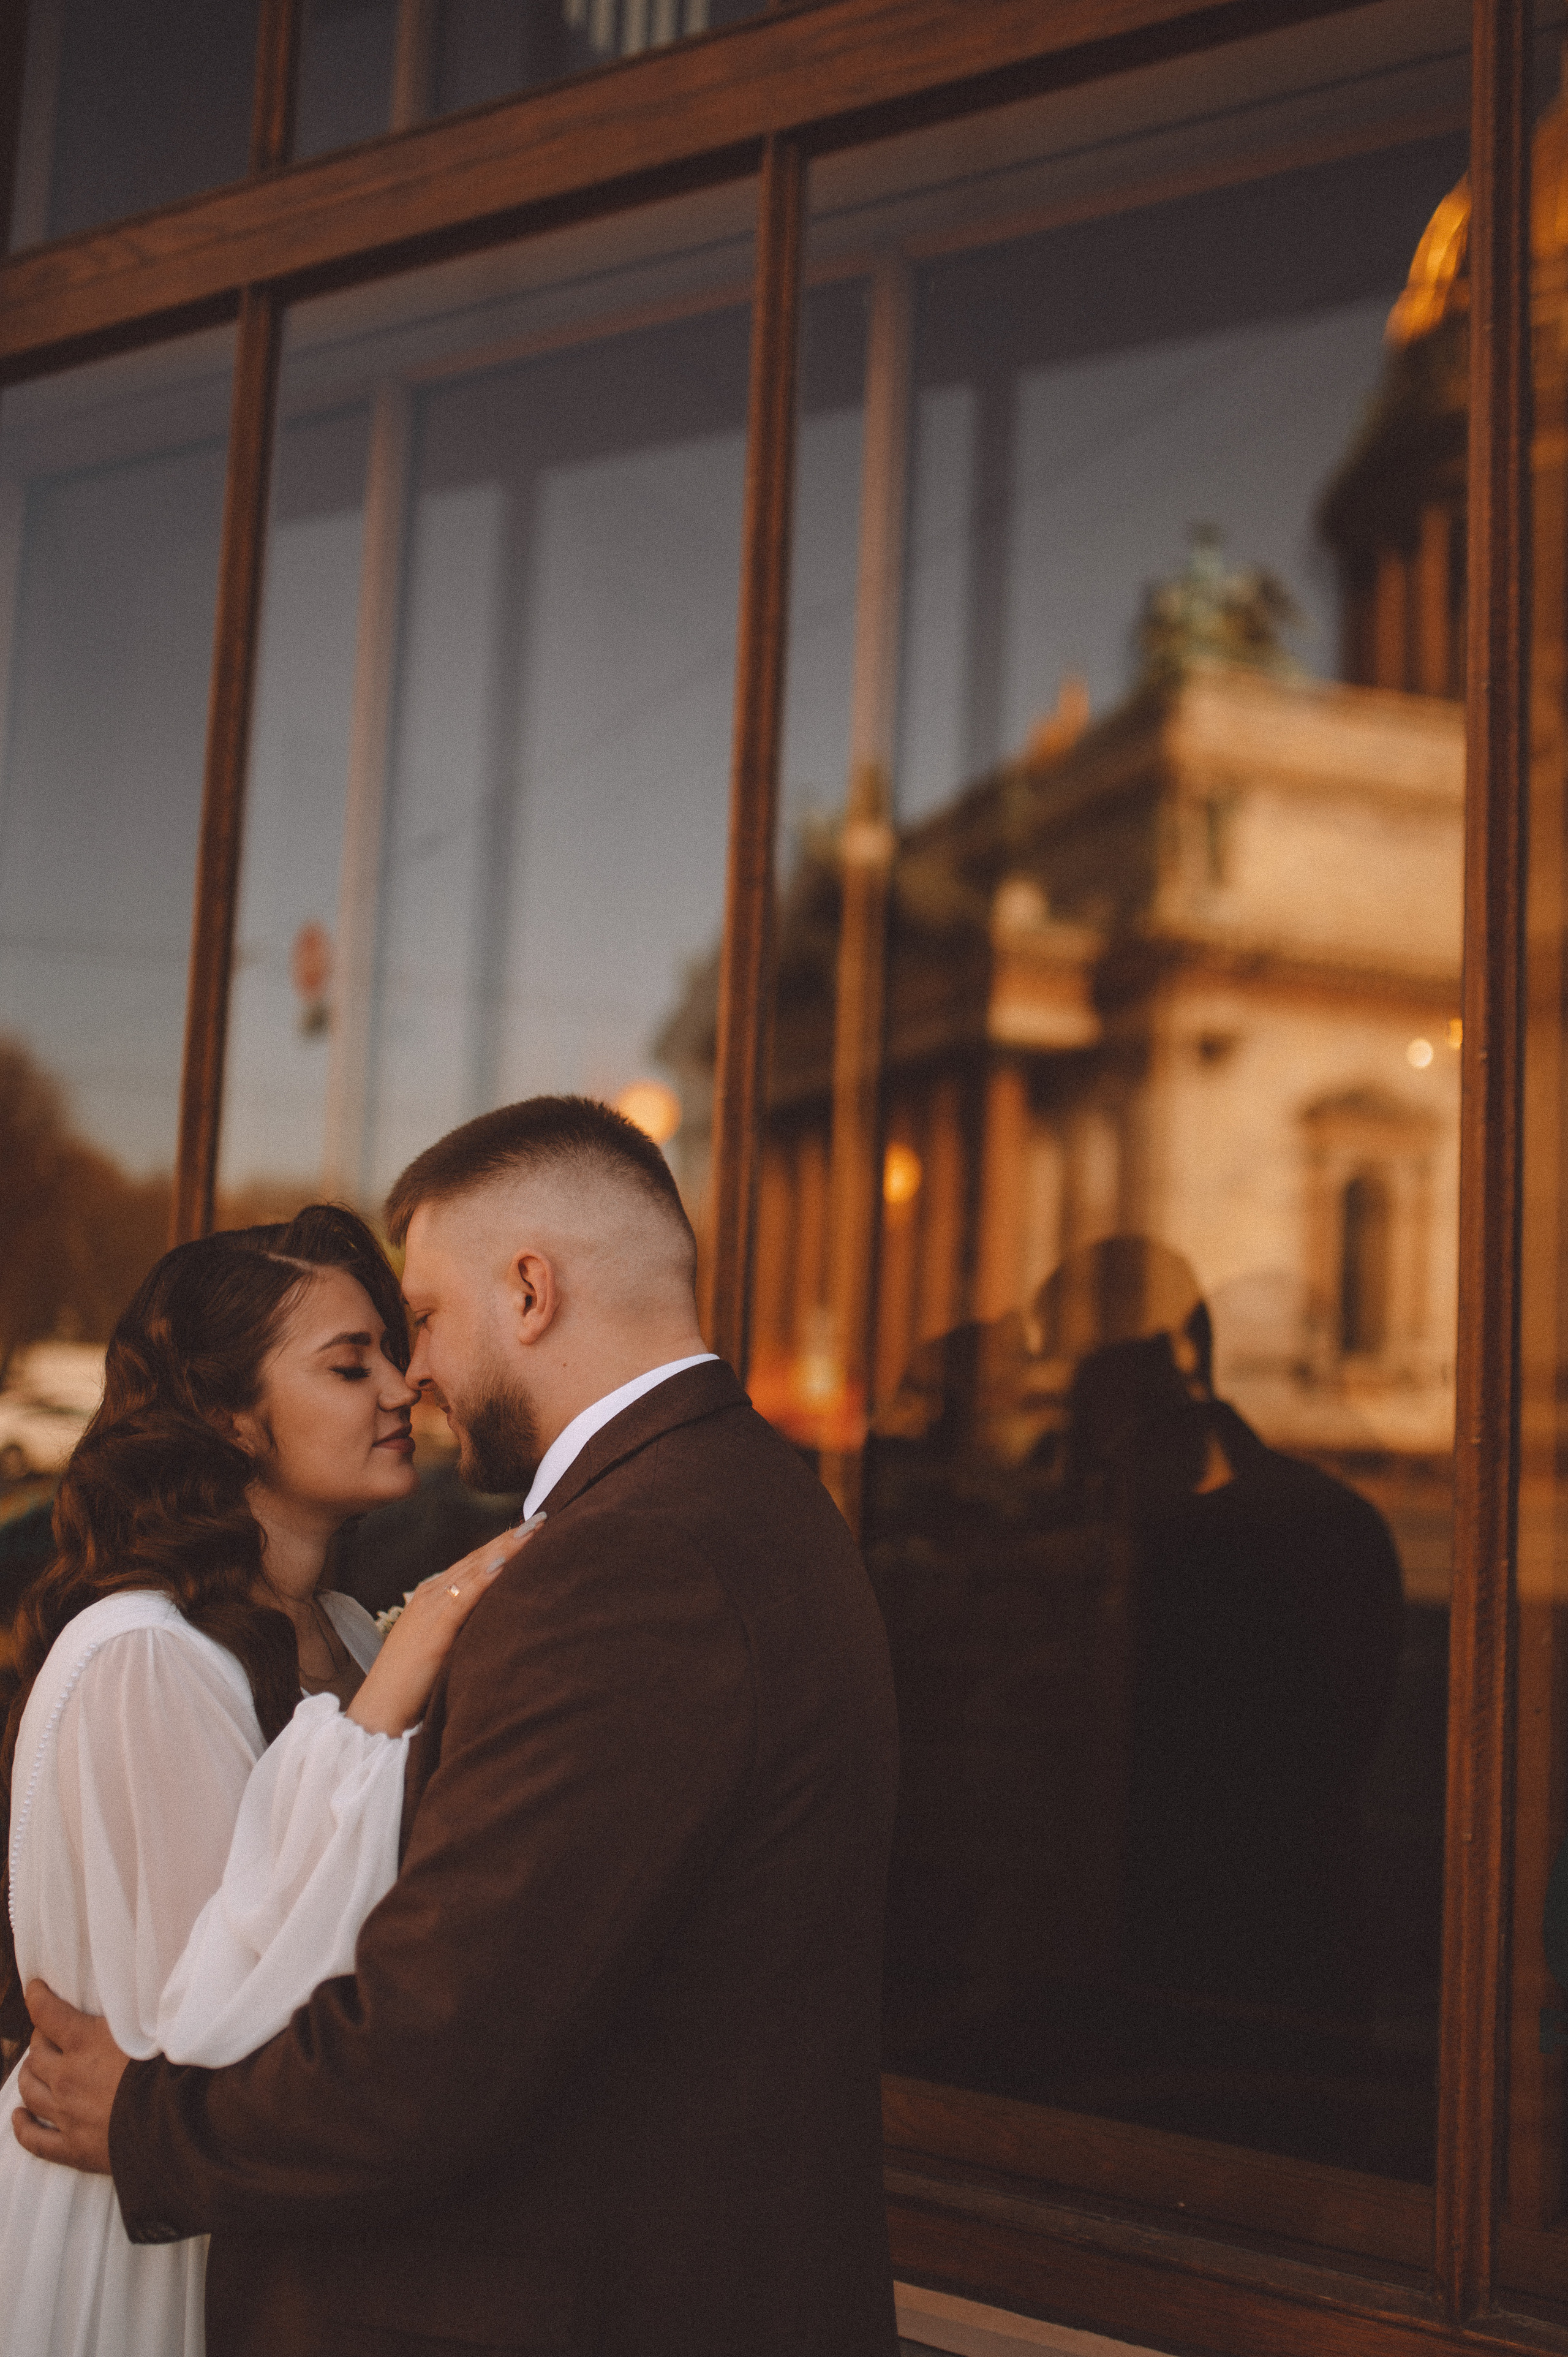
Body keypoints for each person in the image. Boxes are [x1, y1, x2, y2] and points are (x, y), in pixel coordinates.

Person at [15, 1096, 901, 2357]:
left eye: (421, 1320)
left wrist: (150, 2126)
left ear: (530, 1292)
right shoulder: (740, 1500)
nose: (413, 1376)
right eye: (361, 1355)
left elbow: (431, 2048)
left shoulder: (629, 1563)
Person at [0, 1202, 536, 2356]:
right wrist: (396, 1690)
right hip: (154, 2237)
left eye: (393, 1351)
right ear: (228, 1417)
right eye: (351, 1365)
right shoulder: (146, 1656)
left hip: (288, 2230)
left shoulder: (346, 1630)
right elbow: (206, 2027)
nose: (402, 1387)